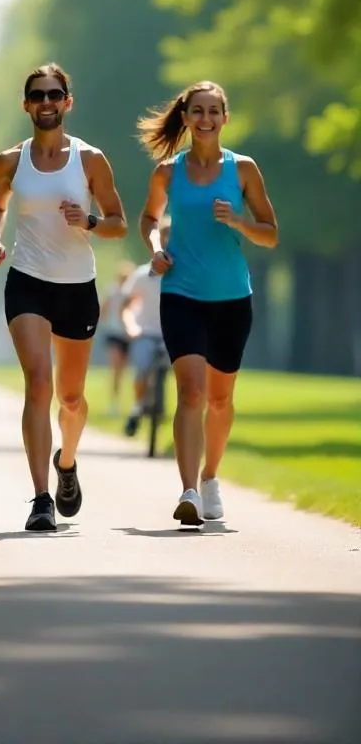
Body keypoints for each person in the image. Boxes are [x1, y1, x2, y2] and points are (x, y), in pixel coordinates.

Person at [0, 63, 127, 533]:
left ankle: (67, 462)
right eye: (37, 95)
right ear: (26, 104)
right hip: (27, 280)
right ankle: (41, 497)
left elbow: (118, 223)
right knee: (39, 384)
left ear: (68, 102)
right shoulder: (10, 161)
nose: (46, 102)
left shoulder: (90, 160)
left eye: (54, 94)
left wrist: (86, 222)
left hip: (77, 286)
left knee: (70, 397)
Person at [138, 80, 278, 525]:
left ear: (224, 118)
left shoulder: (243, 170)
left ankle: (211, 476)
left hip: (232, 298)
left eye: (213, 111)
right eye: (197, 111)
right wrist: (156, 249)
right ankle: (189, 491)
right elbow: (149, 219)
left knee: (220, 400)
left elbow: (270, 234)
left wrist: (238, 220)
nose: (205, 119)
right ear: (186, 117)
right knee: (191, 393)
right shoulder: (167, 172)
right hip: (181, 293)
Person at [120, 226, 169, 437]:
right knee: (141, 371)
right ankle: (138, 408)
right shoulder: (142, 275)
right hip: (145, 332)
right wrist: (131, 327)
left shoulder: (185, 273)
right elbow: (126, 306)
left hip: (172, 334)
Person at [100, 260, 135, 417]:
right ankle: (113, 403)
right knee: (115, 369)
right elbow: (104, 310)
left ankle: (128, 402)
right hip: (114, 333)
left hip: (128, 335)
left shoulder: (132, 293)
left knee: (122, 371)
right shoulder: (112, 291)